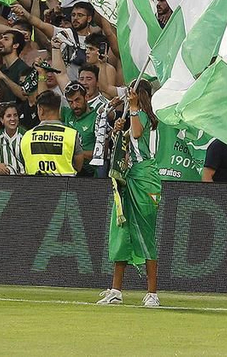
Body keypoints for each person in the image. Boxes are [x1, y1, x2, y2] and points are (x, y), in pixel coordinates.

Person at [100, 81, 164, 308]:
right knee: (122, 232)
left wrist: (133, 108)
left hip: (146, 179)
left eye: (133, 93)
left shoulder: (145, 118)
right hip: (129, 178)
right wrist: (118, 134)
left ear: (141, 95)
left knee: (146, 233)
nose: (128, 96)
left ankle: (152, 293)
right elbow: (124, 154)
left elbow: (137, 134)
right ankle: (116, 290)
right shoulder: (133, 119)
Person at [20, 90, 82, 175]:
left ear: (40, 110)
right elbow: (78, 166)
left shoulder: (26, 136)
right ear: (59, 109)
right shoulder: (71, 135)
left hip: (34, 186)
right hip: (64, 186)